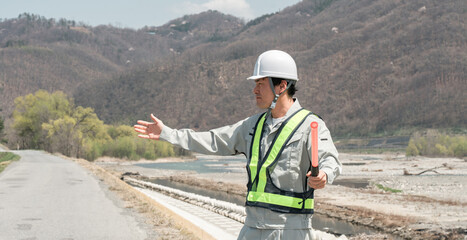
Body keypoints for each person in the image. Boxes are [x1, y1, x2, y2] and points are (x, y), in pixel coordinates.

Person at [134, 50, 342, 240]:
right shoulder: (253, 125)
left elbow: (329, 159)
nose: (255, 90)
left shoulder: (310, 125)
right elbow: (213, 140)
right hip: (251, 229)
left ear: (282, 86)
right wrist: (168, 134)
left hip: (291, 230)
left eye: (261, 83)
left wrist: (324, 174)